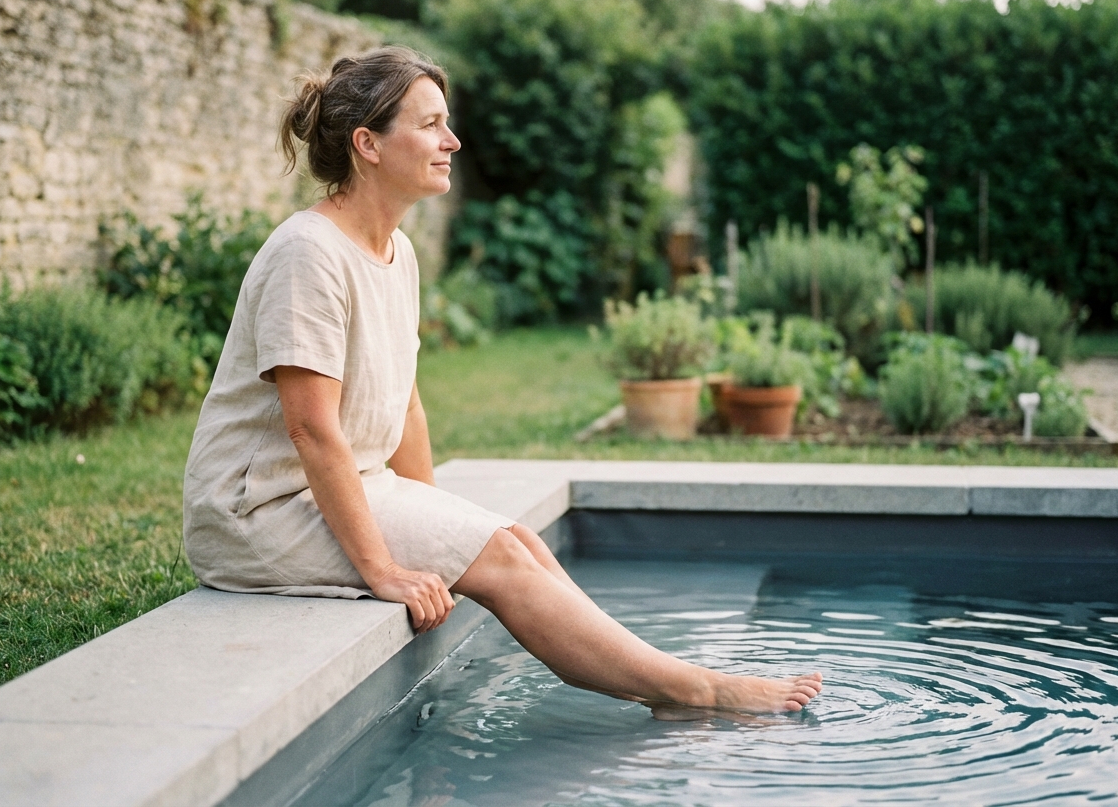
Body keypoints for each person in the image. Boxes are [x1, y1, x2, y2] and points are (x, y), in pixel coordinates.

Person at [182, 47, 823, 715]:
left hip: (344, 488)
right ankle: (695, 690)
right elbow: (311, 429)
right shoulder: (308, 254)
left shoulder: (397, 252)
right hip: (259, 512)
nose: (452, 141)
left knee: (514, 541)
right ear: (367, 144)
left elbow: (406, 403)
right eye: (430, 124)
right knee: (501, 558)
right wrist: (385, 568)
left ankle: (663, 686)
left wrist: (440, 525)